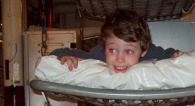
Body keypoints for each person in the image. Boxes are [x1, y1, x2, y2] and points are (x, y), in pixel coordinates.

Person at [52, 9, 183, 73]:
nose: (119, 59)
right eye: (112, 50)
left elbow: (167, 54)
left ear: (143, 50)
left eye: (129, 51)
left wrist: (174, 55)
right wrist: (64, 56)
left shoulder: (150, 53)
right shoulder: (99, 56)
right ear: (104, 47)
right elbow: (57, 52)